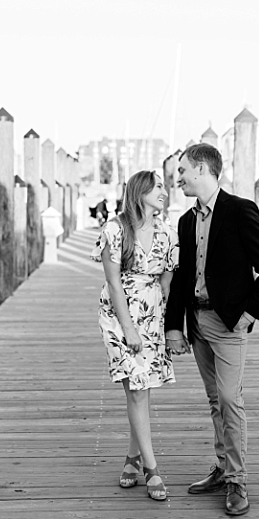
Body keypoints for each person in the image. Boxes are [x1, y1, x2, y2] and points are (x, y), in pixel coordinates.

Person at [165, 143, 259, 517]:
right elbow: (182, 280)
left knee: (231, 400)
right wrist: (175, 328)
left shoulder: (240, 210)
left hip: (229, 323)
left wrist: (251, 314)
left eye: (181, 170)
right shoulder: (185, 221)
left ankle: (238, 480)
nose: (177, 177)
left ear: (201, 169)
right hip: (197, 324)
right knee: (216, 401)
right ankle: (223, 468)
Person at [90, 170, 179, 501]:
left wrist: (170, 328)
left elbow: (168, 285)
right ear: (140, 191)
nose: (165, 192)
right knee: (138, 391)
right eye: (158, 187)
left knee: (140, 391)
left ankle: (131, 458)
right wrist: (128, 327)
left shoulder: (168, 234)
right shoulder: (114, 229)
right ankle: (152, 470)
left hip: (153, 316)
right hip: (118, 317)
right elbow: (113, 282)